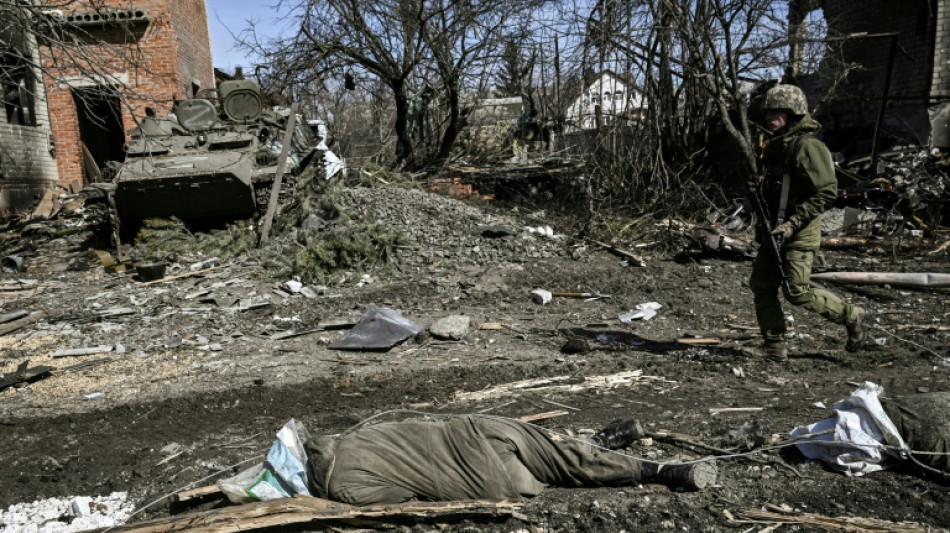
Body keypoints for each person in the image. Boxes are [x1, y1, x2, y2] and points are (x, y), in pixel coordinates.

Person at [303, 415, 717, 506]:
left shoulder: (344, 488)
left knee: (562, 479)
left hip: (492, 478)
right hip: (483, 430)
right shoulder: (354, 434)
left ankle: (661, 473)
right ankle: (658, 467)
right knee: (565, 457)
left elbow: (405, 497)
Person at [749, 84, 871, 361]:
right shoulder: (777, 146)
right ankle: (775, 346)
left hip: (799, 229)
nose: (769, 117)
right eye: (767, 112)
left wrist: (793, 222)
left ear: (793, 113)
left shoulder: (807, 146)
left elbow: (827, 191)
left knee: (796, 291)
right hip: (774, 229)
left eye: (776, 111)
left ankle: (853, 316)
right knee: (762, 285)